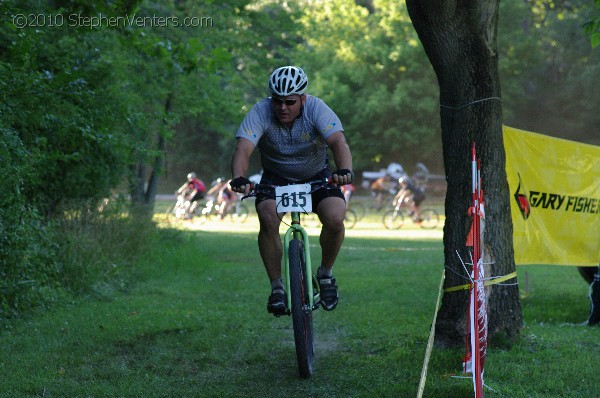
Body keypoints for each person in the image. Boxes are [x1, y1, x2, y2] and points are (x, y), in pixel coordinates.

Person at [229, 65, 354, 316]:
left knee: (336, 217)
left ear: (302, 99)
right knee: (266, 216)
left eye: (290, 101)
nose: (283, 107)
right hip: (276, 178)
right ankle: (277, 287)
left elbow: (338, 142)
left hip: (316, 176)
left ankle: (326, 275)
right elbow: (243, 148)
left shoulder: (317, 108)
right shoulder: (261, 111)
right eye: (277, 101)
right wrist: (239, 178)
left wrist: (344, 171)